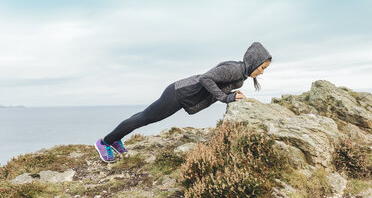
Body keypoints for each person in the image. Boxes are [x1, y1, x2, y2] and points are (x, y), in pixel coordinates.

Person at [95, 42, 272, 163]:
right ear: (254, 61)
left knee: (145, 116)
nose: (262, 72)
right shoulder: (235, 69)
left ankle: (115, 138)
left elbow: (217, 83)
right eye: (262, 67)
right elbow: (206, 78)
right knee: (145, 118)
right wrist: (225, 98)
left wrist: (232, 93)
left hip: (182, 94)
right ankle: (105, 142)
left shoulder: (240, 73)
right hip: (179, 93)